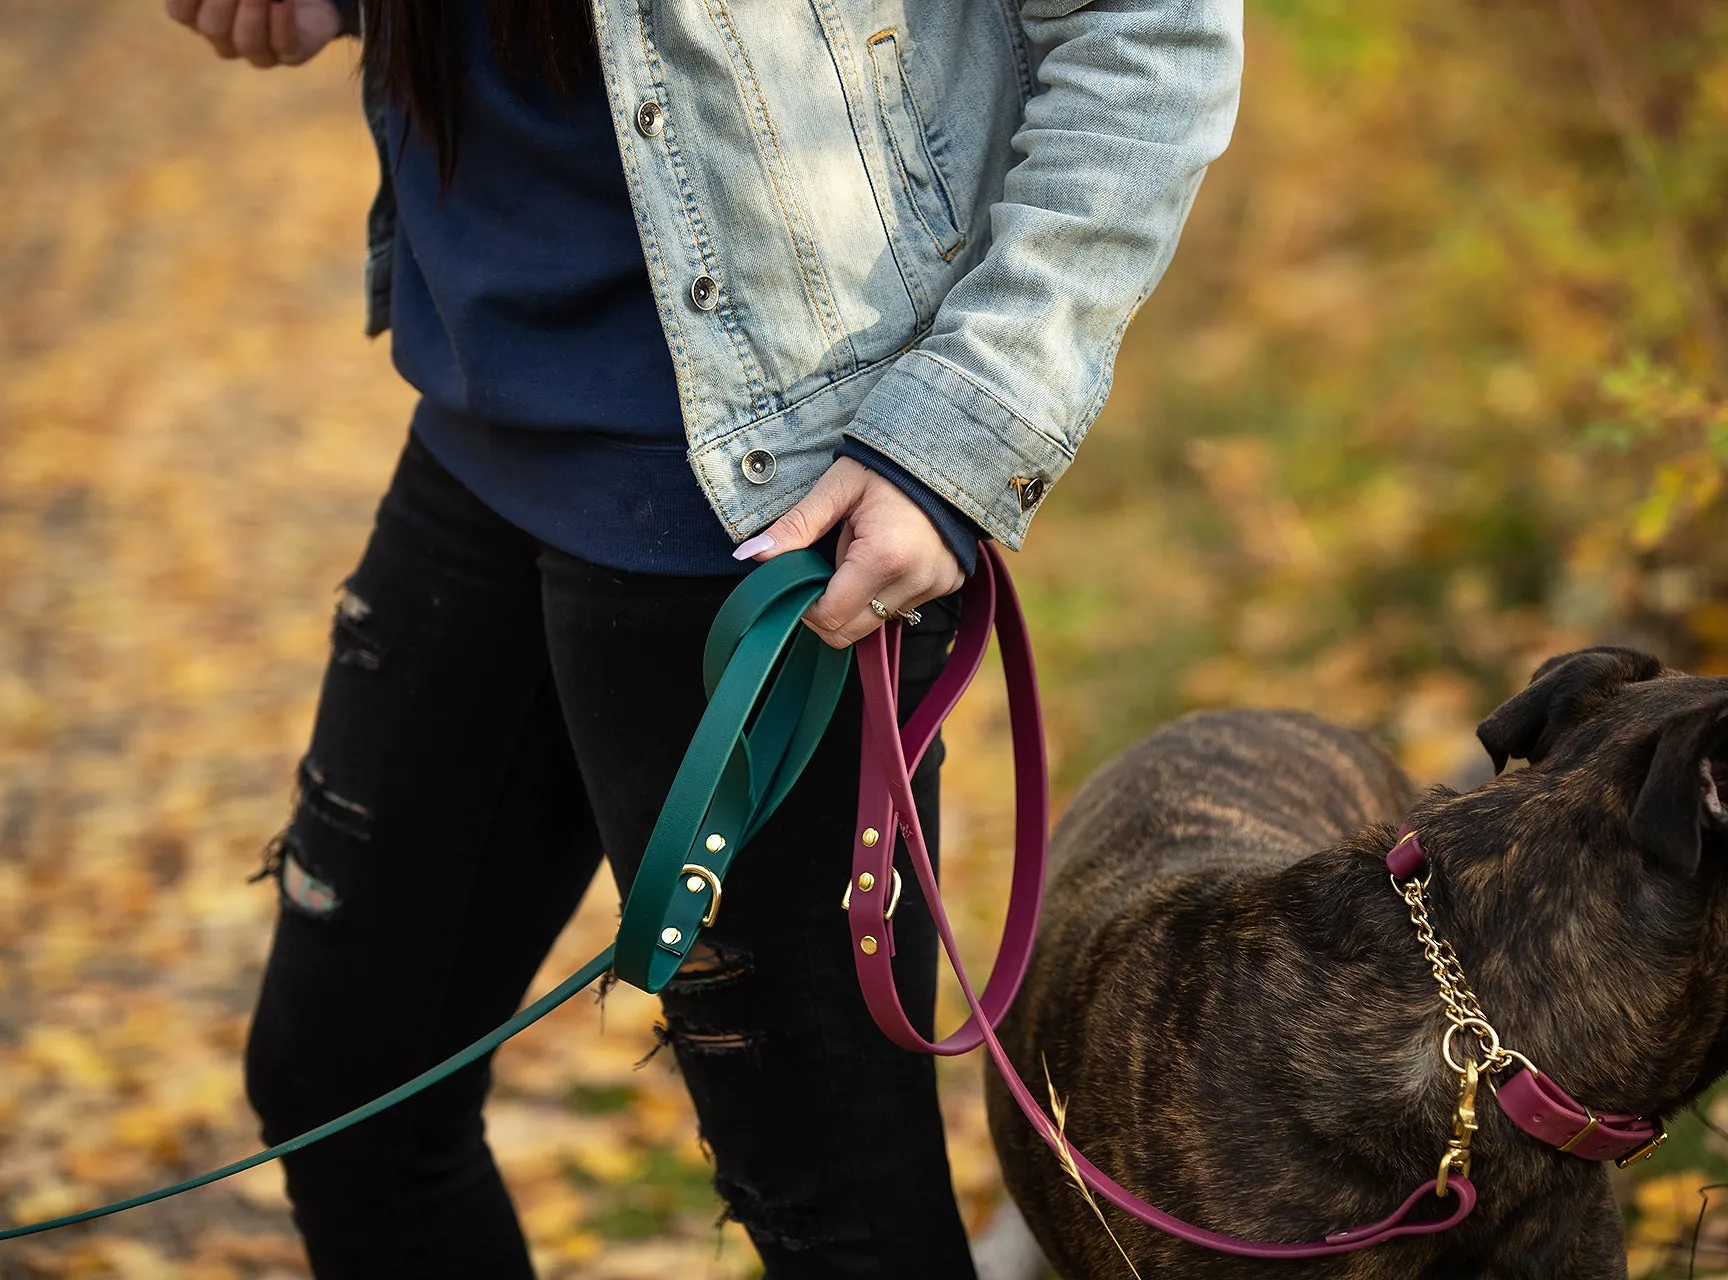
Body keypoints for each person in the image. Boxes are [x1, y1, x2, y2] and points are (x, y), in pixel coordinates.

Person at [161, 0, 1242, 1275]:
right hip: (478, 431)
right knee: (344, 1089)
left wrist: (969, 426)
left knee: (831, 1209)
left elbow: (1152, 31)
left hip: (765, 518)